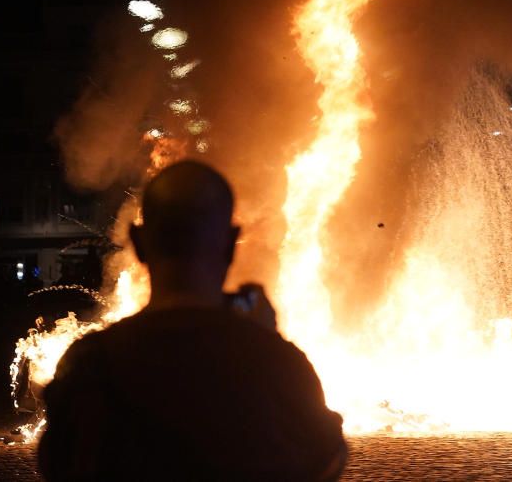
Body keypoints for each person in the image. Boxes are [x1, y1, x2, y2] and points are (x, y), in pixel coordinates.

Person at [38, 161, 347, 481]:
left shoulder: (90, 363)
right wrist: (268, 341)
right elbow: (325, 460)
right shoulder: (279, 364)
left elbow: (59, 464)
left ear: (138, 242)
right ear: (230, 243)